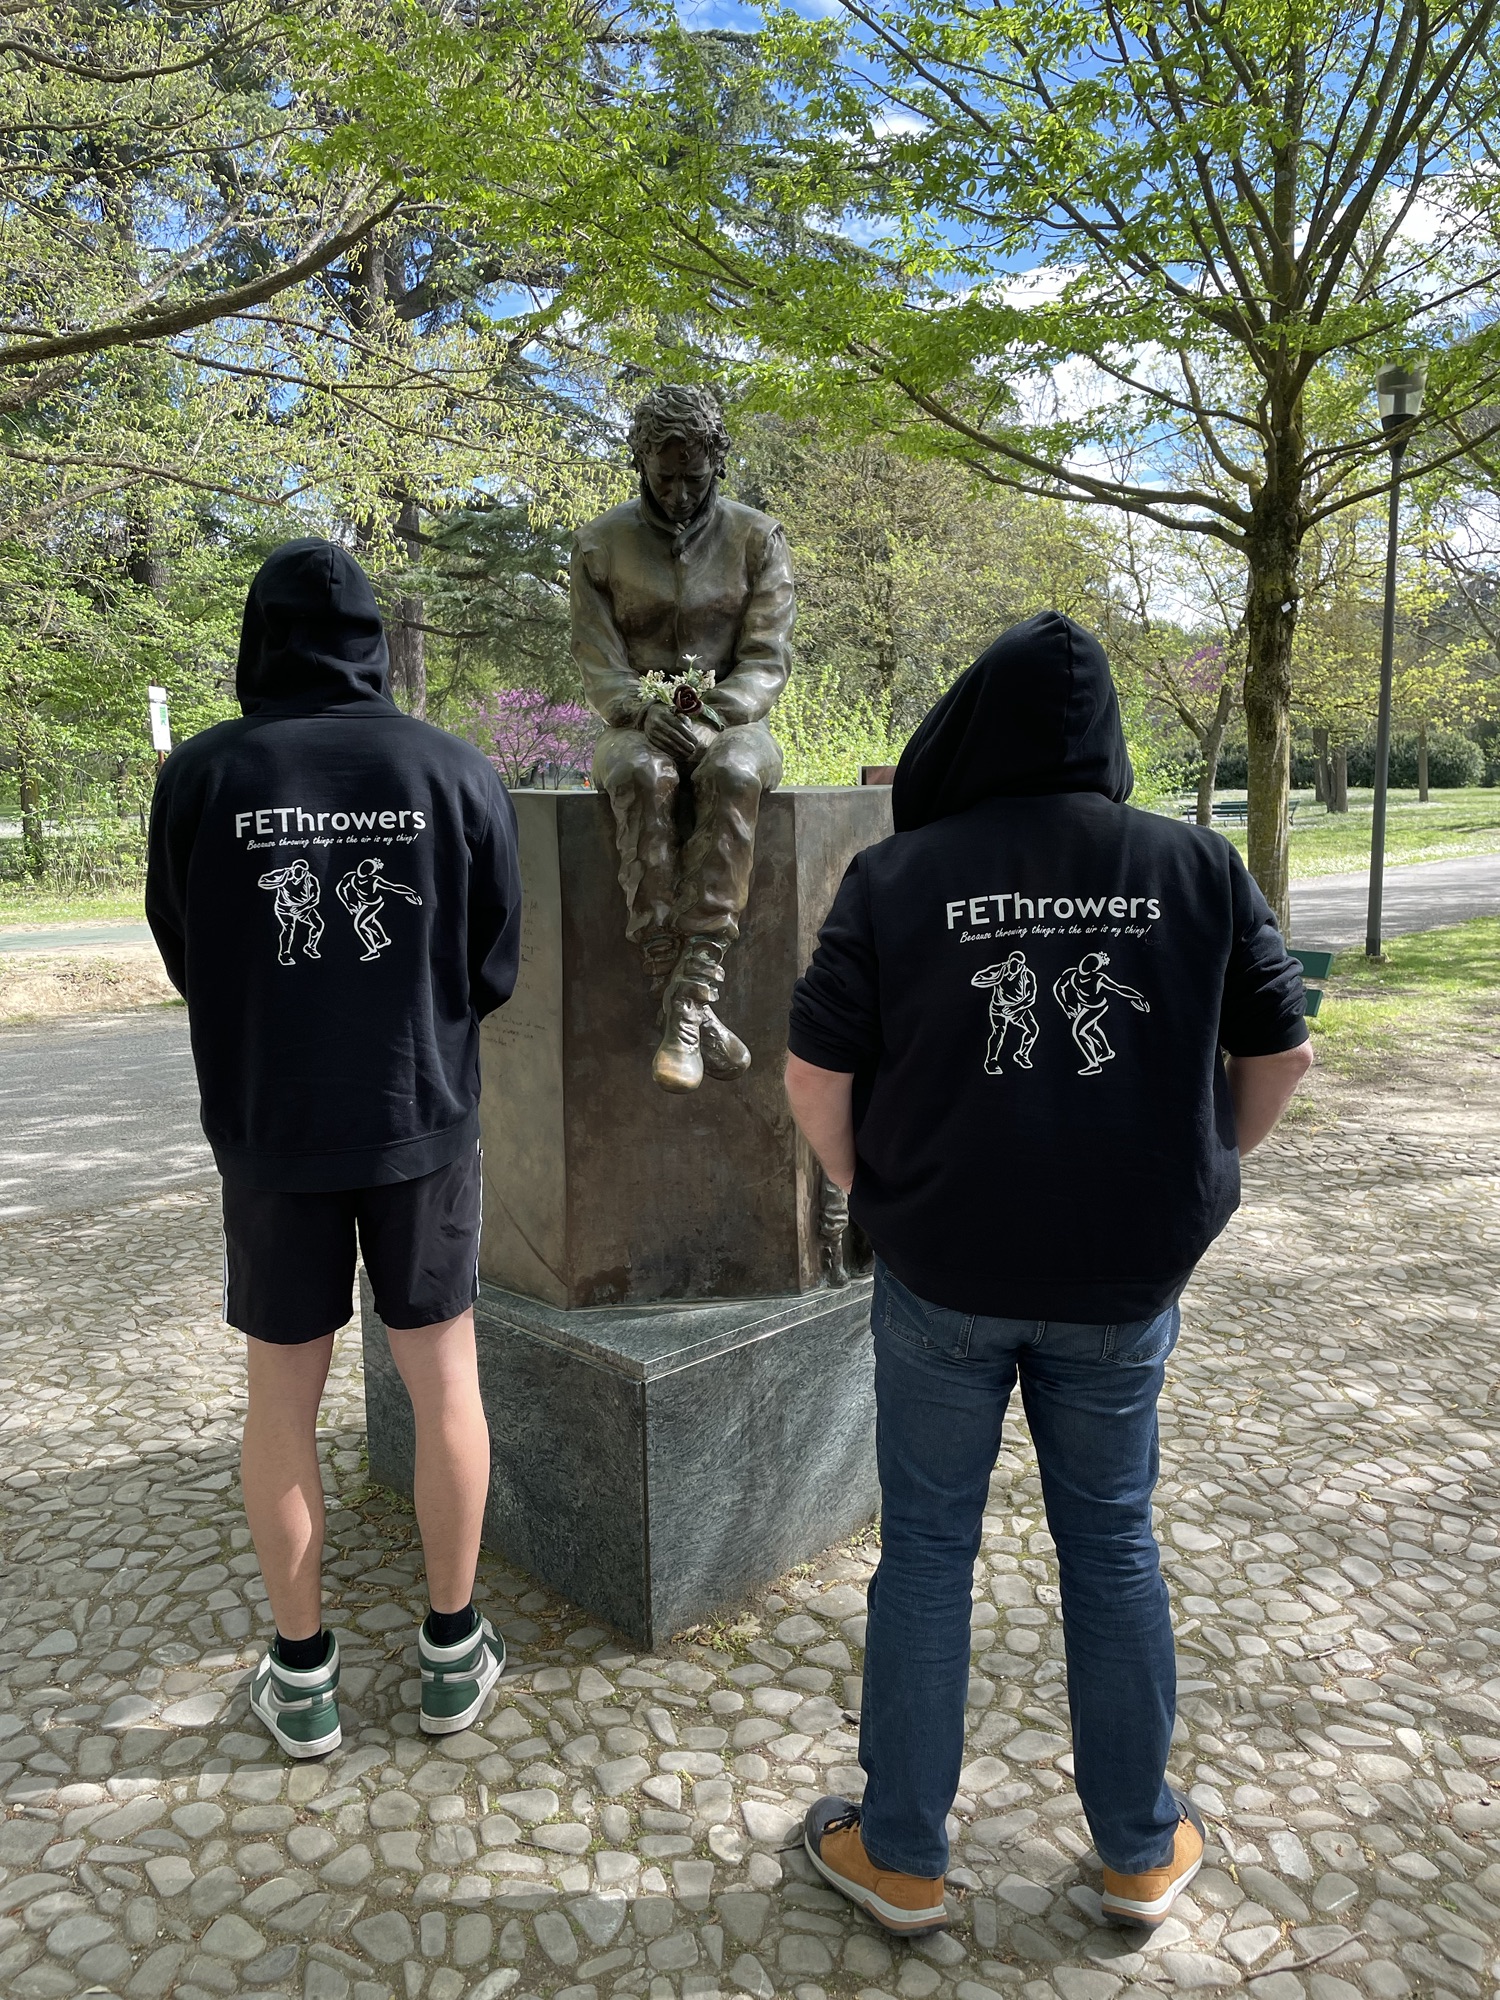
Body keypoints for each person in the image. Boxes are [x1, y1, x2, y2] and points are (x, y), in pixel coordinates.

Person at [784, 611, 1312, 1935]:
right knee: (1113, 1541)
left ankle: (901, 1855)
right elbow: (1283, 1053)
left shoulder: (898, 875)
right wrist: (1198, 1177)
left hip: (943, 1276)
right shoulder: (1198, 866)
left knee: (927, 1550)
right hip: (1122, 1281)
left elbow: (812, 1073)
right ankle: (1138, 1849)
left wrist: (871, 1190)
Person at [147, 538, 522, 1758]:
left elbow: (188, 951)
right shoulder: (453, 770)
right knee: (445, 1382)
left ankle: (303, 1674)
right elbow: (494, 963)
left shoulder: (202, 775)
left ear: (258, 638)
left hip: (272, 1127)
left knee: (281, 1399)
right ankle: (453, 1652)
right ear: (370, 638)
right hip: (419, 1120)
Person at [571, 383, 795, 1091]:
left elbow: (767, 658)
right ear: (639, 460)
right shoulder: (600, 544)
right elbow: (599, 662)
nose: (677, 493)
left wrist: (716, 715)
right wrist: (638, 711)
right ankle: (691, 1006)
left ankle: (691, 992)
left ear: (716, 463)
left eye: (693, 478)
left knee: (732, 774)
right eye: (663, 477)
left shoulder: (757, 538)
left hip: (736, 723)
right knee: (642, 775)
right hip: (634, 725)